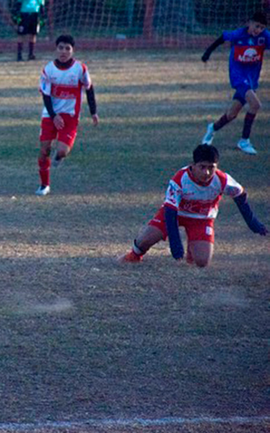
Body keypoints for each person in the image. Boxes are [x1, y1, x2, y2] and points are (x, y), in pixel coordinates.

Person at [119, 144, 266, 267]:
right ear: (193, 165)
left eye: (211, 167)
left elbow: (240, 196)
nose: (207, 172)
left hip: (201, 219)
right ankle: (134, 255)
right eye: (202, 167)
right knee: (145, 240)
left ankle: (192, 247)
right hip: (176, 215)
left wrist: (253, 223)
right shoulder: (180, 179)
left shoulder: (222, 180)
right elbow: (170, 212)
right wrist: (175, 243)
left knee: (202, 262)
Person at [35, 34, 98, 196]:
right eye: (61, 48)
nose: (64, 51)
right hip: (50, 115)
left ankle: (58, 158)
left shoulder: (80, 69)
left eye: (67, 48)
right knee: (44, 150)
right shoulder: (48, 70)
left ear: (73, 51)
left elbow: (89, 88)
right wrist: (54, 115)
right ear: (56, 49)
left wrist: (93, 112)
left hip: (70, 116)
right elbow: (46, 95)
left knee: (62, 151)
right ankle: (44, 185)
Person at [201, 11, 270, 155]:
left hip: (251, 80)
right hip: (238, 77)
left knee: (232, 114)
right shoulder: (238, 34)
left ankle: (212, 128)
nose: (258, 30)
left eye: (262, 28)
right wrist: (207, 52)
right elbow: (222, 38)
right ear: (248, 23)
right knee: (256, 104)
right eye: (256, 26)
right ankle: (244, 141)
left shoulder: (265, 37)